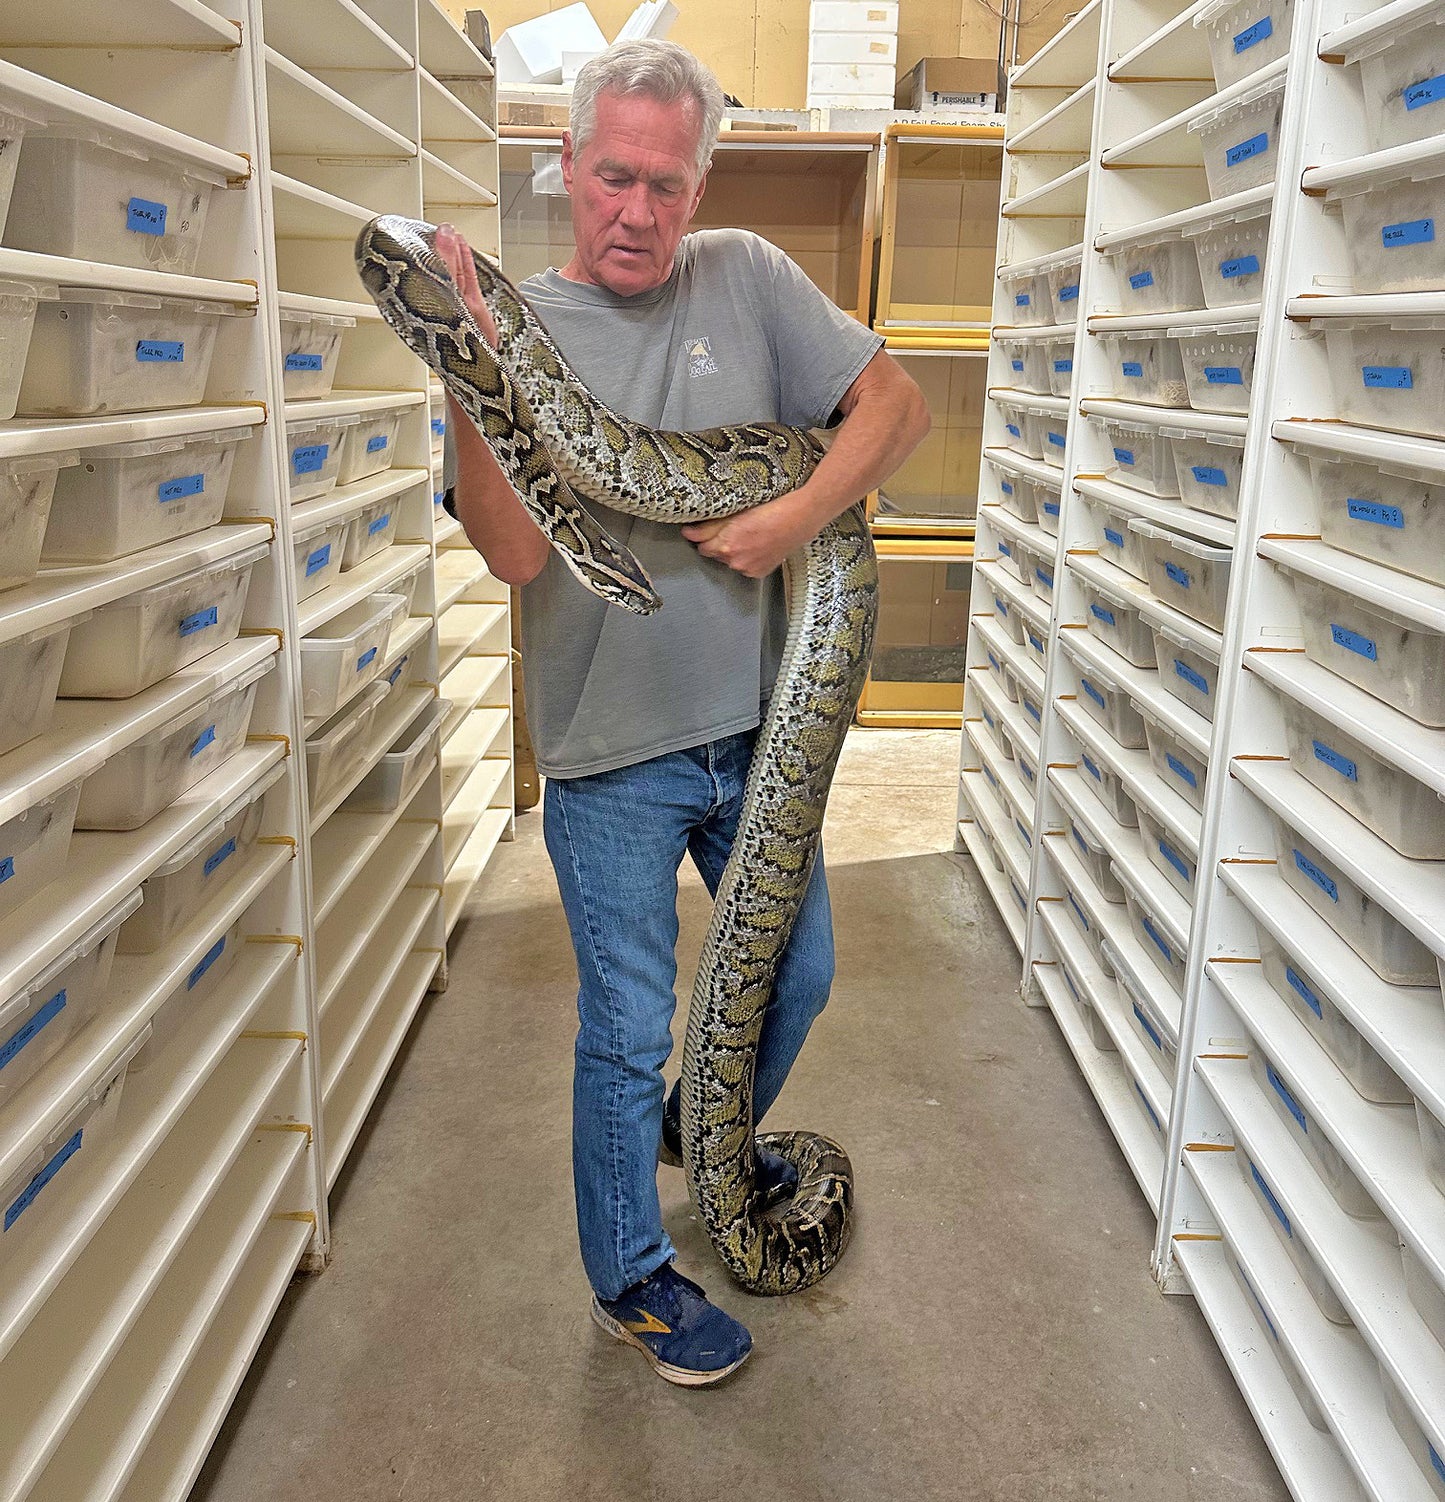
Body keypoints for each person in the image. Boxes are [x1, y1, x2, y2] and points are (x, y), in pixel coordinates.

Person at [437, 38, 929, 1387]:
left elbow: (894, 405)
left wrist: (790, 518)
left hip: (756, 736)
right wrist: (472, 379)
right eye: (610, 177)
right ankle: (633, 1274)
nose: (635, 212)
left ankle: (696, 1132)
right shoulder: (517, 328)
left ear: (698, 183)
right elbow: (517, 557)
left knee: (802, 974)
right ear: (566, 169)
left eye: (663, 182)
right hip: (611, 752)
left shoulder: (750, 281)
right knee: (623, 1024)